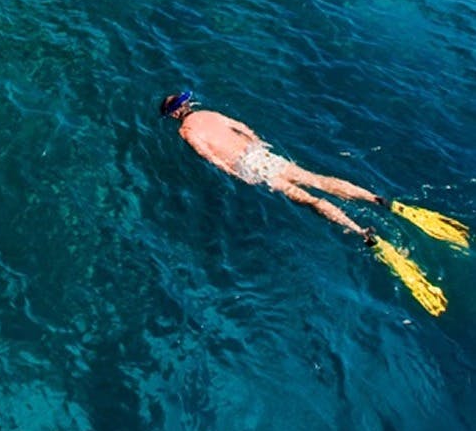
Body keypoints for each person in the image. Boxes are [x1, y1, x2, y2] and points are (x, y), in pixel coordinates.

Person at [159, 91, 469, 316]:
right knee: (318, 179)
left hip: (249, 168)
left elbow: (209, 155)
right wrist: (258, 146)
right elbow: (244, 128)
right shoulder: (210, 113)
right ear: (187, 104)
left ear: (174, 114)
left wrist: (238, 176)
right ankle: (382, 201)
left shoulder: (186, 130)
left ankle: (364, 234)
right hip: (261, 155)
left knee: (309, 200)